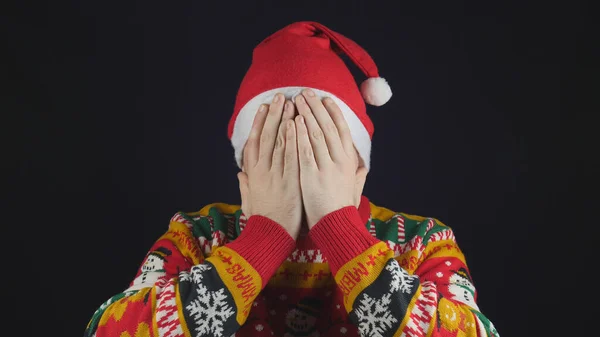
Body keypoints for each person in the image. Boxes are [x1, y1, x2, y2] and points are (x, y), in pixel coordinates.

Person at [84, 21, 499, 337]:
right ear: (244, 176)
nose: (299, 168)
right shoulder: (198, 235)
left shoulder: (421, 241)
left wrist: (338, 226)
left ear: (360, 172)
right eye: (275, 150)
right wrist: (264, 237)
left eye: (322, 150)